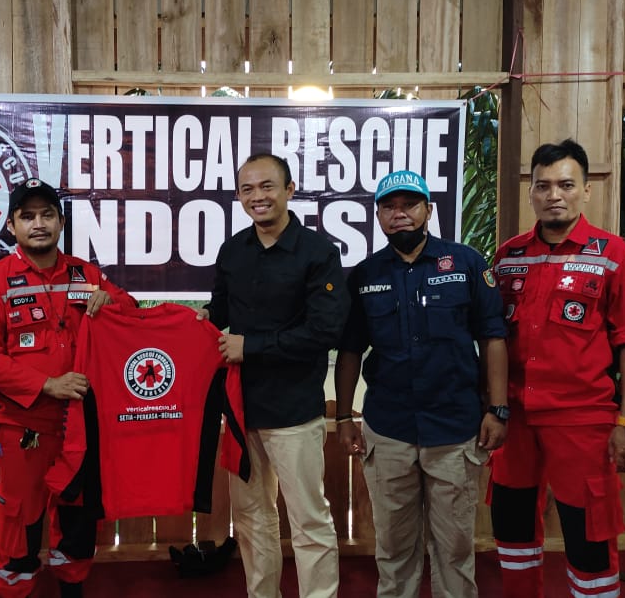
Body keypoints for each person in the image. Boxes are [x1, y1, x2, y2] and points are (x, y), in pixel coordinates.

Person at [490, 139, 625, 597]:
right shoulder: (508, 256)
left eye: (565, 185)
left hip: (582, 420)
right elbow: (491, 339)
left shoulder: (616, 256)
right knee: (512, 529)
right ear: (531, 193)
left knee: (589, 538)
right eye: (542, 186)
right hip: (515, 419)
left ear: (586, 190)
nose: (554, 195)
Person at [334, 170, 508, 598]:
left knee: (455, 548)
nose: (400, 214)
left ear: (428, 210)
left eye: (410, 205)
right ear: (378, 216)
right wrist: (342, 417)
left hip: (454, 428)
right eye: (389, 207)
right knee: (394, 549)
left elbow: (493, 338)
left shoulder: (466, 263)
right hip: (389, 430)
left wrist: (498, 408)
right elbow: (350, 350)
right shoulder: (364, 275)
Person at [0, 177, 136, 598]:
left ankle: (72, 589)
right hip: (24, 427)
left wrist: (112, 302)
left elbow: (131, 311)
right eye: (27, 216)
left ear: (61, 221)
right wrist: (47, 384)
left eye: (47, 215)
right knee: (18, 525)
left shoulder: (86, 274)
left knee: (77, 522)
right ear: (11, 226)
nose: (38, 224)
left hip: (82, 427)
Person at [201, 153, 346, 598]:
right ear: (239, 196)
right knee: (251, 518)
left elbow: (324, 331)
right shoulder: (232, 251)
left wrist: (251, 346)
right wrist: (192, 322)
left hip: (295, 412)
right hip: (242, 411)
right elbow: (218, 312)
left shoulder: (319, 253)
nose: (257, 196)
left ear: (289, 190)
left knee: (309, 520)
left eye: (267, 186)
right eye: (247, 189)